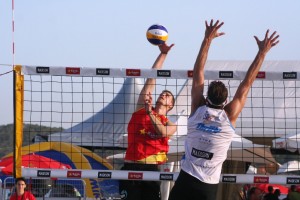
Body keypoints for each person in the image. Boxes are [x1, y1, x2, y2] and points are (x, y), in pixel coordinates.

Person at [168, 19, 279, 200]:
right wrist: (262, 52)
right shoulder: (229, 116)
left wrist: (207, 40)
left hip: (185, 180)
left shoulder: (197, 111)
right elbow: (247, 83)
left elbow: (198, 73)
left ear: (206, 97)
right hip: (207, 188)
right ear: (226, 101)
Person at [119, 42, 177, 200]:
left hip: (151, 170)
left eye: (167, 95)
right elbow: (151, 78)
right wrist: (163, 54)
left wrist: (149, 112)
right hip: (131, 166)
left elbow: (163, 132)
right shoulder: (141, 109)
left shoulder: (168, 123)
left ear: (170, 105)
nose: (162, 95)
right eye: (162, 93)